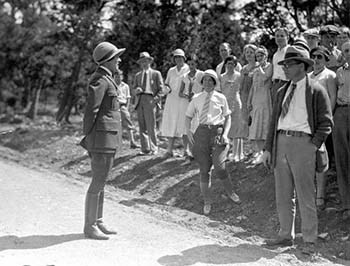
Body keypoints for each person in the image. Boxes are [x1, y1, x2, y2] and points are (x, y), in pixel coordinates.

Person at [261, 45, 333, 253]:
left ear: (302, 66)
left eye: (289, 64)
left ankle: (309, 240)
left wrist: (313, 145)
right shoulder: (282, 90)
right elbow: (273, 122)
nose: (284, 68)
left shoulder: (316, 89)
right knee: (283, 193)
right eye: (283, 64)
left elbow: (326, 123)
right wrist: (268, 149)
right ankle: (285, 235)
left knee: (305, 194)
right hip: (281, 141)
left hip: (304, 144)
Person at [81, 41, 125, 240]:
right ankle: (89, 226)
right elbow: (91, 112)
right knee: (98, 181)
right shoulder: (99, 79)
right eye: (116, 57)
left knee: (102, 180)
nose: (119, 60)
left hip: (109, 138)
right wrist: (89, 139)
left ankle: (98, 220)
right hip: (101, 139)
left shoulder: (108, 78)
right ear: (108, 60)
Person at [185, 69, 240, 215]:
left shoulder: (221, 98)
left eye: (211, 80)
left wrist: (226, 134)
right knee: (204, 170)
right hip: (201, 133)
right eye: (205, 80)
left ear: (215, 83)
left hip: (218, 133)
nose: (208, 83)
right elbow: (188, 116)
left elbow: (227, 117)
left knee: (219, 166)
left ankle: (231, 192)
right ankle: (207, 202)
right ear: (201, 82)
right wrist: (188, 131)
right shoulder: (196, 98)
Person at [309, 46, 337, 211]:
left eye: (320, 57)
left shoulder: (330, 75)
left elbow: (332, 97)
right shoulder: (307, 76)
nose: (316, 60)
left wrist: (328, 117)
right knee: (307, 156)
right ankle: (309, 192)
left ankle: (321, 194)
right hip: (307, 121)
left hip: (322, 121)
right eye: (314, 56)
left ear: (326, 59)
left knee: (321, 155)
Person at [133, 52, 164, 155]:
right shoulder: (138, 75)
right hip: (140, 99)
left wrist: (155, 99)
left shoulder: (156, 73)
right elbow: (133, 88)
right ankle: (145, 148)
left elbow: (162, 89)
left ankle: (154, 148)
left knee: (151, 125)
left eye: (146, 61)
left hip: (150, 98)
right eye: (142, 62)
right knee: (142, 125)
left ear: (150, 61)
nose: (144, 63)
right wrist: (136, 90)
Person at [161, 48, 190, 158]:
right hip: (172, 100)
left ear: (184, 58)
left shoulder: (188, 69)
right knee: (171, 123)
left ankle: (186, 150)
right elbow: (166, 84)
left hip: (184, 100)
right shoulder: (171, 70)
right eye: (176, 57)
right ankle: (169, 150)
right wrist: (166, 88)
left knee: (184, 124)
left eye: (180, 57)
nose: (178, 59)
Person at [333, 41, 350, 221]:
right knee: (342, 158)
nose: (349, 53)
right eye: (346, 51)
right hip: (341, 112)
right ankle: (346, 205)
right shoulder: (338, 72)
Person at [247, 46, 273, 165]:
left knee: (264, 123)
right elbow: (253, 86)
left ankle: (264, 152)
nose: (259, 58)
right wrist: (249, 101)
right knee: (255, 124)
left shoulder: (269, 66)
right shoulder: (256, 69)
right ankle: (257, 151)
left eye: (261, 55)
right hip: (256, 99)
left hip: (265, 98)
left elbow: (265, 78)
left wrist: (259, 69)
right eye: (257, 56)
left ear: (266, 56)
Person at [178, 55, 204, 159]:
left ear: (196, 64)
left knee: (196, 125)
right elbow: (180, 92)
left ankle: (196, 150)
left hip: (197, 103)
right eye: (189, 64)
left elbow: (204, 89)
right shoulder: (184, 76)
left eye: (193, 64)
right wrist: (186, 95)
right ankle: (186, 149)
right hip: (186, 103)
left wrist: (196, 96)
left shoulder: (201, 74)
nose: (191, 66)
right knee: (186, 126)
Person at [220, 55, 244, 162]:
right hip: (225, 103)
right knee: (225, 128)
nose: (230, 66)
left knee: (237, 128)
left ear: (235, 65)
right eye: (228, 63)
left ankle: (237, 153)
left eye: (232, 64)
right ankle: (225, 153)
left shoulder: (239, 76)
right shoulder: (221, 77)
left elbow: (242, 89)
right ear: (225, 64)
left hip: (236, 102)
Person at [239, 44, 258, 160]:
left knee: (255, 122)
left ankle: (257, 149)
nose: (249, 54)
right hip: (245, 97)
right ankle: (251, 148)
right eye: (247, 52)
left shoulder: (258, 67)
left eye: (251, 52)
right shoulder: (243, 69)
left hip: (256, 97)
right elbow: (241, 85)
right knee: (248, 123)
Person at [115, 69, 139, 149]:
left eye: (120, 76)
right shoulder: (112, 85)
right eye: (116, 76)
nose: (118, 78)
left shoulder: (125, 86)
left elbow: (128, 97)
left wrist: (127, 108)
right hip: (114, 106)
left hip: (122, 106)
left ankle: (132, 142)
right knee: (115, 124)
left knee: (128, 123)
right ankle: (116, 143)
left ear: (122, 77)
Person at [271, 27, 290, 105]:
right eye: (277, 36)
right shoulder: (275, 55)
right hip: (275, 85)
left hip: (286, 84)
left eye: (282, 36)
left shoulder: (290, 51)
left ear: (287, 37)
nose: (279, 38)